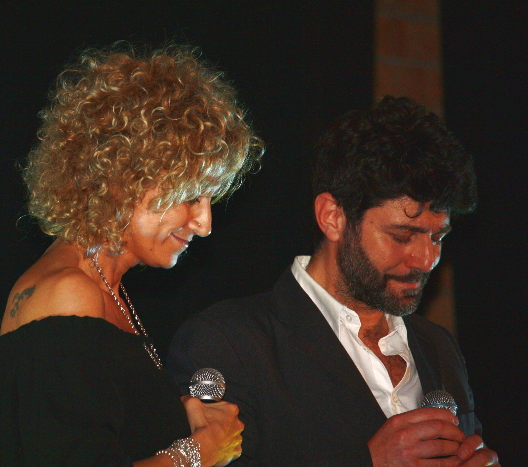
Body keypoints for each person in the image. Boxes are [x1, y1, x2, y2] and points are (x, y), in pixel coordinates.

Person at [168, 96, 499, 466]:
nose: (426, 260)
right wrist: (367, 461)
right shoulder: (229, 342)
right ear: (332, 217)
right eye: (402, 236)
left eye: (438, 237)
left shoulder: (438, 346)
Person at [0, 44, 262, 467]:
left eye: (211, 199)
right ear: (120, 180)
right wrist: (199, 452)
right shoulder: (68, 295)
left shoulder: (102, 287)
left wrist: (180, 412)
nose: (205, 224)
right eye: (190, 196)